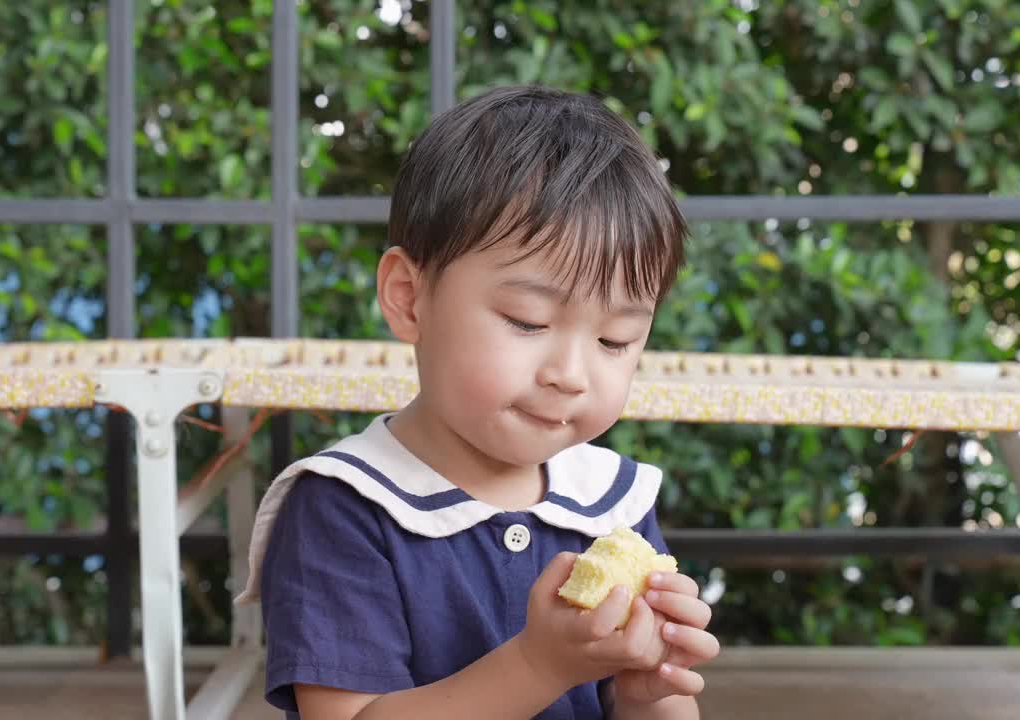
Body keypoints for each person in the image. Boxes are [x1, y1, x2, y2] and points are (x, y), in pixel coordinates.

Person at [236, 85, 720, 719]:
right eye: (526, 321)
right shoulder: (346, 507)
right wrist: (538, 666)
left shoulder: (611, 500)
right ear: (409, 298)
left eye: (614, 339)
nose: (570, 374)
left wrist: (647, 692)